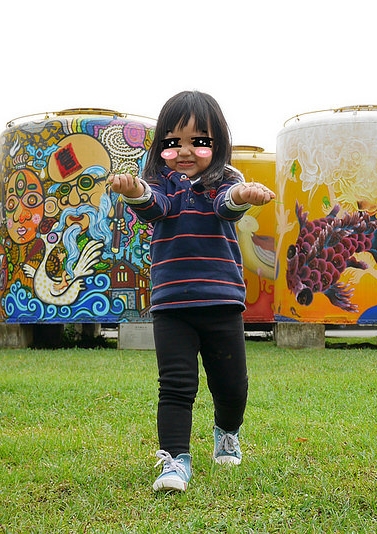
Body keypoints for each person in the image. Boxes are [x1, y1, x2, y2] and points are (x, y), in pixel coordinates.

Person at [108, 90, 275, 492]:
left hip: (221, 303)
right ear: (160, 146)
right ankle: (175, 460)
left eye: (199, 141)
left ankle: (227, 432)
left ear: (217, 144)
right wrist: (135, 192)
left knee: (231, 386)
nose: (185, 150)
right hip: (172, 305)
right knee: (176, 385)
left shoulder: (226, 179)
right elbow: (156, 206)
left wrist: (242, 196)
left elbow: (225, 205)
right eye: (173, 142)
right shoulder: (158, 181)